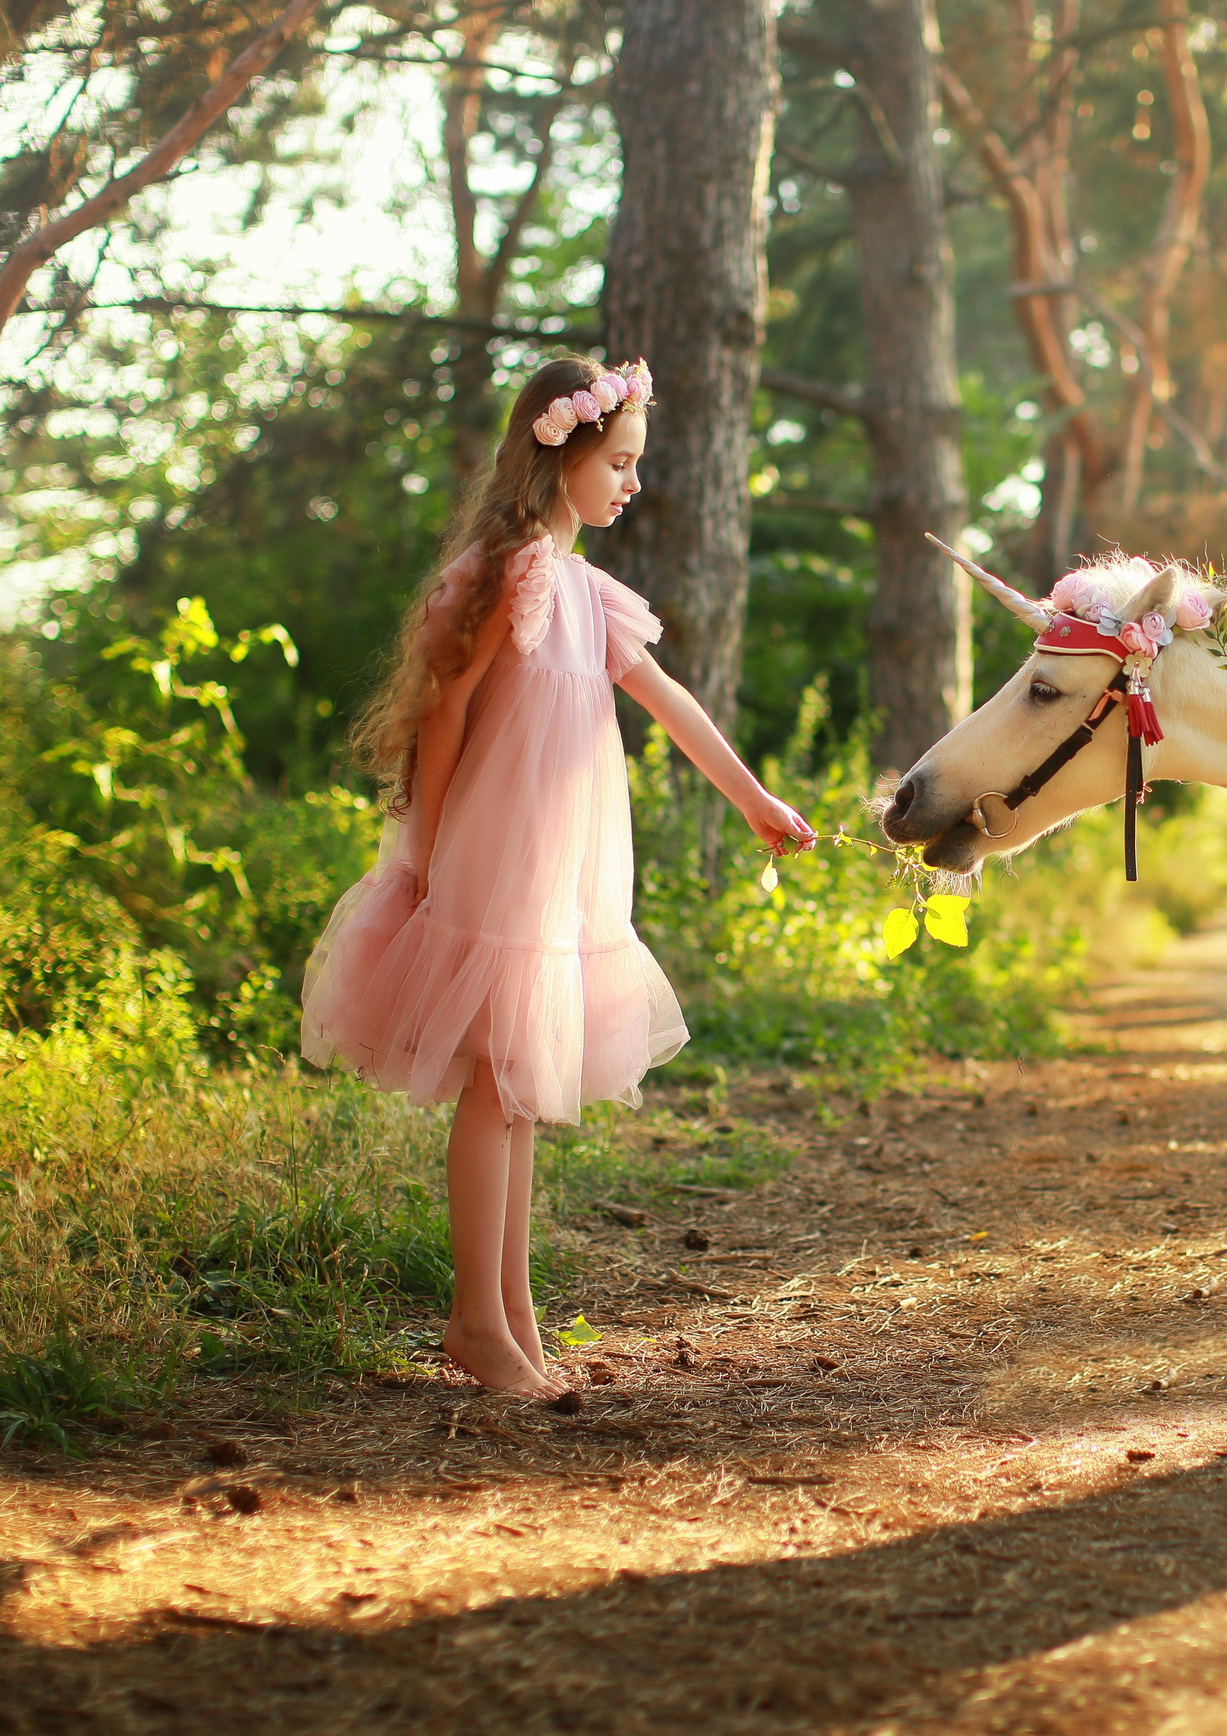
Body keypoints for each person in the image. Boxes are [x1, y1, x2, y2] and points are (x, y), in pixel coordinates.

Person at [302, 356, 813, 1400]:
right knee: (497, 1085)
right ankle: (475, 1322)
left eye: (634, 464)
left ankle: (515, 1316)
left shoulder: (589, 591)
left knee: (521, 1085)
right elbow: (444, 714)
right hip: (490, 851)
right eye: (617, 463)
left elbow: (668, 698)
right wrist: (434, 850)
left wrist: (755, 799)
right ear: (562, 454)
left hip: (557, 864)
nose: (631, 482)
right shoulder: (514, 571)